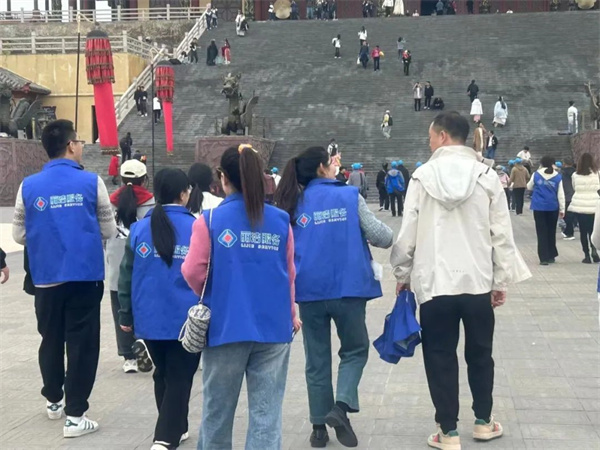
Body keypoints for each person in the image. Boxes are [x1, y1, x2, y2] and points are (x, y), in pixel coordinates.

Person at [390, 111, 531, 450]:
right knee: (481, 353)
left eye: (430, 137)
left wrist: (402, 274)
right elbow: (501, 235)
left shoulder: (421, 177)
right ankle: (483, 421)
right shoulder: (487, 176)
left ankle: (448, 431)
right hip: (477, 282)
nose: (429, 143)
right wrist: (500, 281)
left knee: (439, 354)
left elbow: (407, 234)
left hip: (435, 284)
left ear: (441, 136)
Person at [182, 145, 300, 450]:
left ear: (223, 177)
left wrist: (215, 293)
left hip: (226, 327)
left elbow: (193, 271)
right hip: (274, 328)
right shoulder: (280, 221)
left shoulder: (210, 220)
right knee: (266, 416)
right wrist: (291, 314)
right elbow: (289, 273)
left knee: (217, 413)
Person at [274, 146, 393, 449]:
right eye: (331, 163)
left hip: (309, 291)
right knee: (355, 349)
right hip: (348, 287)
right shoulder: (349, 195)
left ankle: (318, 429)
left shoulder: (291, 202)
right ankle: (340, 407)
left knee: (316, 359)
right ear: (321, 168)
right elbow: (382, 236)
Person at [12, 119, 117, 437]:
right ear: (71, 145)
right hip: (84, 276)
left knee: (51, 338)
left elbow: (18, 234)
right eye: (80, 141)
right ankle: (75, 416)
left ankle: (54, 400)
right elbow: (108, 229)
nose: (81, 145)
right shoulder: (92, 182)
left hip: (46, 277)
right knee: (82, 344)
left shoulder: (28, 186)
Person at [118, 168, 200, 450]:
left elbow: (126, 276)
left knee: (163, 372)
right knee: (179, 377)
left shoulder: (140, 229)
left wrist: (125, 314)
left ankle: (179, 427)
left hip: (149, 317)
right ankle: (164, 439)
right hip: (186, 319)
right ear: (183, 194)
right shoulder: (197, 228)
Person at [105, 159, 156, 374]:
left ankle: (128, 357)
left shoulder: (110, 202)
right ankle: (146, 344)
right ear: (144, 180)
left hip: (117, 263)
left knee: (120, 308)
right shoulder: (151, 203)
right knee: (145, 306)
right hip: (145, 264)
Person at [528, 156, 565, 265]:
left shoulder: (536, 174)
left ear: (541, 163)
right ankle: (551, 255)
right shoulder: (557, 176)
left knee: (541, 232)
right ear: (553, 164)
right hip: (552, 206)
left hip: (538, 207)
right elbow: (560, 194)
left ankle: (543, 257)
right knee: (551, 231)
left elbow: (529, 187)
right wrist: (562, 209)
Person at [568, 153, 600, 263]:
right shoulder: (597, 173)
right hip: (594, 204)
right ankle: (594, 250)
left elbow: (574, 187)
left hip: (579, 205)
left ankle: (586, 255)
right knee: (593, 230)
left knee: (583, 231)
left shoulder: (575, 175)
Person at [561, 157, 576, 240]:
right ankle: (568, 231)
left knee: (566, 215)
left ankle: (569, 232)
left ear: (564, 163)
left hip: (565, 195)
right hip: (574, 195)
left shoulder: (562, 173)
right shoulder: (576, 172)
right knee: (571, 215)